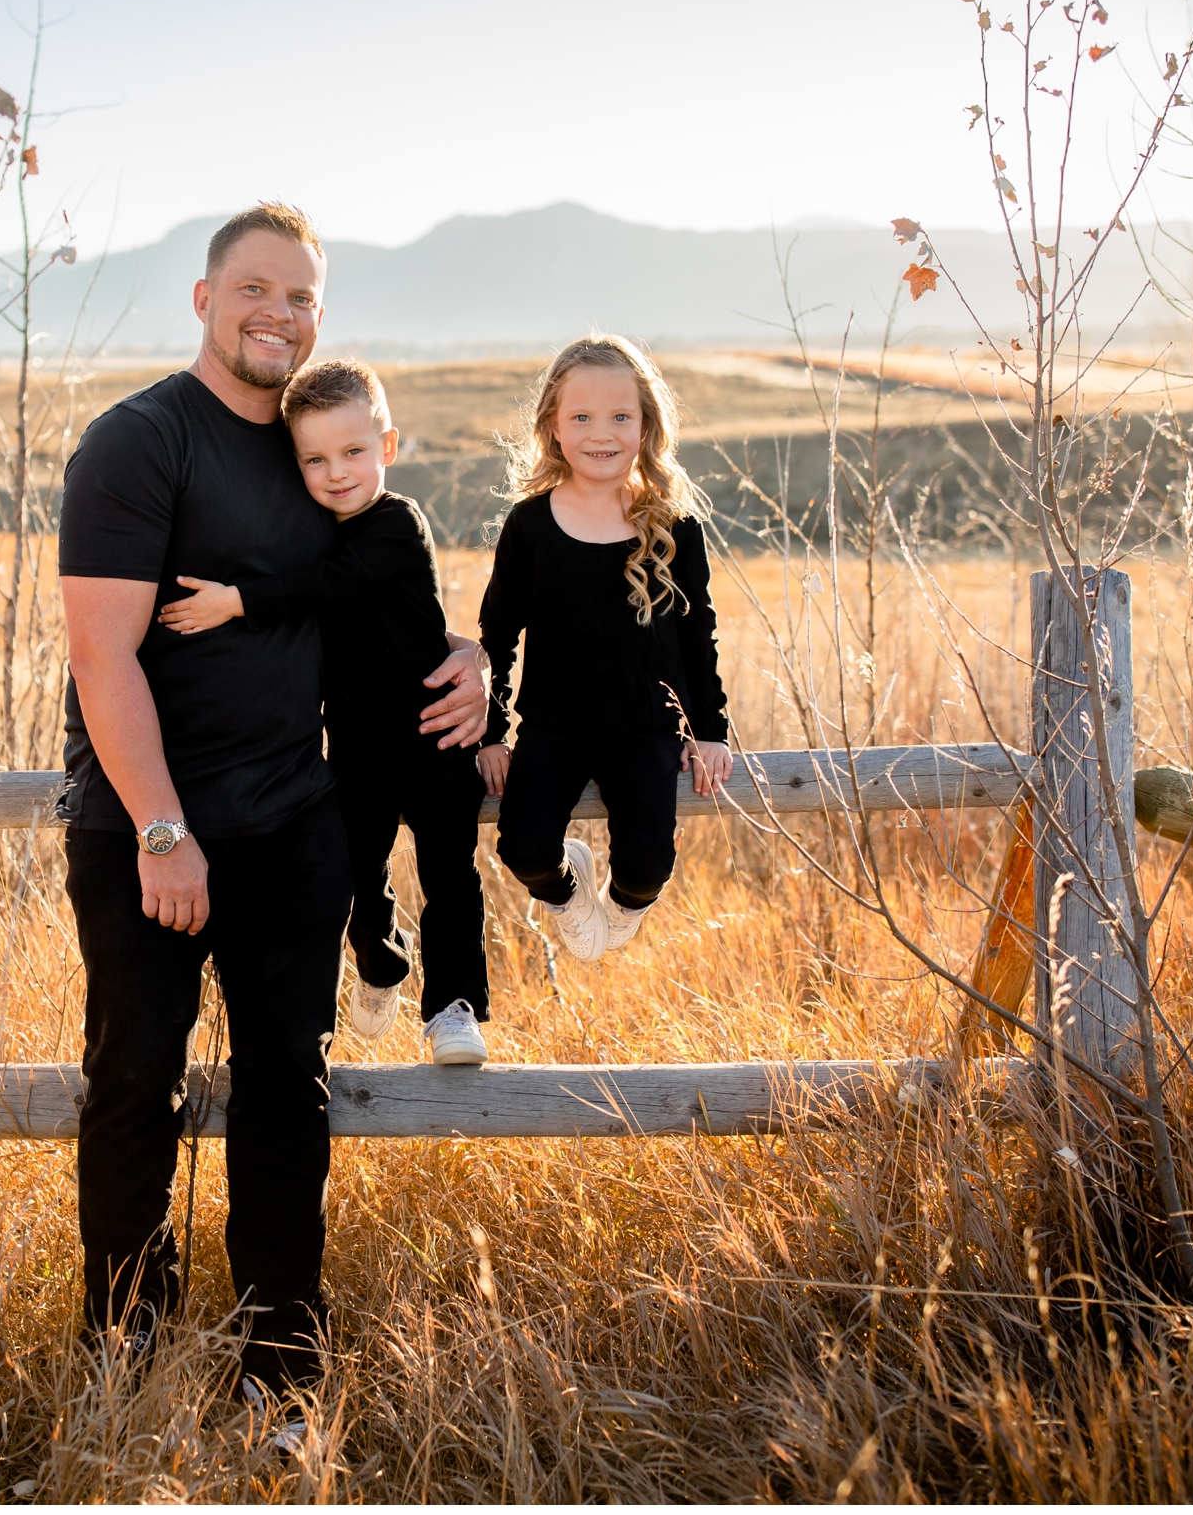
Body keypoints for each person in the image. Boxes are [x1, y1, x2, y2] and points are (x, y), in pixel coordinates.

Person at [56, 203, 489, 1409]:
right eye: (256, 288)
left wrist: (470, 658)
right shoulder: (139, 442)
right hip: (148, 827)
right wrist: (162, 829)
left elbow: (370, 587)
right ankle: (124, 1356)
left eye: (302, 297)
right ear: (204, 298)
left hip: (297, 819)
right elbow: (103, 656)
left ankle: (281, 1373)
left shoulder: (320, 442)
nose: (279, 313)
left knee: (285, 1089)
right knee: (137, 1078)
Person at [156, 358, 493, 1067]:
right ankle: (382, 963)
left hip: (434, 732)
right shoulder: (309, 529)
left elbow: (330, 584)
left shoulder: (397, 523)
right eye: (315, 458)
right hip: (358, 744)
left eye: (353, 452)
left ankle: (453, 1009)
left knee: (449, 876)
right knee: (353, 872)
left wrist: (234, 599)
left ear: (388, 448)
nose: (336, 472)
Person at [475, 334, 734, 960]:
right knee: (524, 848)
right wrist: (491, 732)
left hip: (647, 728)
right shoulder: (531, 525)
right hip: (552, 729)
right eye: (582, 417)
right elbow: (498, 635)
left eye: (621, 416)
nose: (603, 432)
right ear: (554, 429)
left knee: (647, 868)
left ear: (646, 425)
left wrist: (710, 728)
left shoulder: (672, 526)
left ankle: (621, 906)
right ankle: (569, 892)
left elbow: (699, 633)